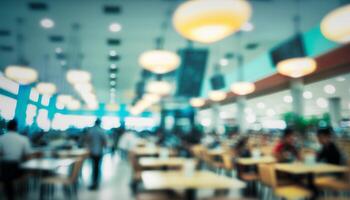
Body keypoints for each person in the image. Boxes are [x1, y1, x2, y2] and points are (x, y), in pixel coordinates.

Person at [0, 119, 32, 200]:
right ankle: (21, 191)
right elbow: (28, 155)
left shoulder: (1, 138)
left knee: (6, 174)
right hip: (18, 166)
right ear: (16, 127)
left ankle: (9, 194)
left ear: (7, 127)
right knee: (23, 171)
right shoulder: (23, 139)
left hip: (4, 166)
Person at [85, 119, 107, 190]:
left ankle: (94, 183)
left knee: (94, 167)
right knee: (97, 168)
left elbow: (87, 140)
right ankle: (96, 183)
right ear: (100, 123)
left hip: (92, 151)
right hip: (99, 152)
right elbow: (105, 142)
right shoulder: (101, 131)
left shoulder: (91, 130)